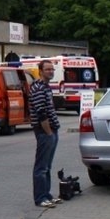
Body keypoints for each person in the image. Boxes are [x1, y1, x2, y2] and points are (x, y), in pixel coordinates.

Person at [29, 59, 61, 208]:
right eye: (48, 69)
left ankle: (47, 195)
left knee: (47, 166)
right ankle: (40, 198)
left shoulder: (46, 87)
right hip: (44, 132)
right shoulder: (38, 88)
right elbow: (41, 112)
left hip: (51, 130)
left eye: (52, 69)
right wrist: (48, 132)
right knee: (41, 167)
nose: (51, 72)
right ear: (40, 71)